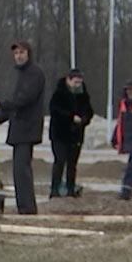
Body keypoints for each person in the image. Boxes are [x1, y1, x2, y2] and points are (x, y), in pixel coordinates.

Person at [0, 41, 47, 215]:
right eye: (16, 53)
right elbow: (17, 103)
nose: (18, 56)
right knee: (19, 170)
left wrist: (1, 105)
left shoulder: (35, 73)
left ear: (28, 53)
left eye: (22, 52)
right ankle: (24, 206)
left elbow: (24, 99)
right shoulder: (22, 74)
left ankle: (27, 208)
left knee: (22, 169)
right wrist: (1, 116)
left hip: (28, 127)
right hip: (19, 127)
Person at [48, 68, 95, 198]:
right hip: (60, 134)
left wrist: (84, 120)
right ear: (68, 80)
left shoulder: (83, 95)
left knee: (72, 163)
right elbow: (55, 110)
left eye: (79, 82)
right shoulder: (59, 93)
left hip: (76, 135)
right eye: (75, 82)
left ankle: (70, 189)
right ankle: (55, 189)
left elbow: (89, 111)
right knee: (60, 161)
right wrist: (70, 117)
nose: (77, 85)